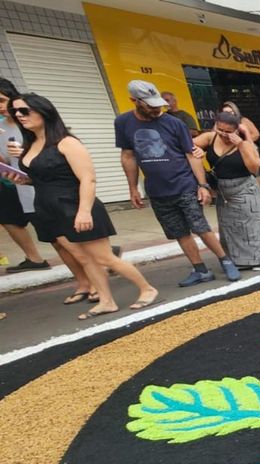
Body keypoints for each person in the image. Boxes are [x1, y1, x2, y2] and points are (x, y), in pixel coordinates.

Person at [10, 94, 157, 319]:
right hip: (50, 209)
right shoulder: (31, 144)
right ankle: (106, 301)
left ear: (44, 111)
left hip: (75, 205)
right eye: (15, 112)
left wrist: (84, 211)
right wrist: (23, 179)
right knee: (85, 259)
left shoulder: (67, 142)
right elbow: (44, 178)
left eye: (24, 110)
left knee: (104, 258)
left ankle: (147, 289)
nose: (19, 115)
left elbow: (88, 178)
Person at [116, 80, 240, 286]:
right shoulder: (123, 123)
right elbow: (128, 156)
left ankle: (225, 260)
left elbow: (192, 154)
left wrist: (202, 185)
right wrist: (133, 188)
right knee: (179, 232)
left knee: (200, 226)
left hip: (184, 184)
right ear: (134, 101)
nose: (156, 109)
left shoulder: (174, 123)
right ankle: (200, 270)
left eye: (158, 105)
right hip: (157, 190)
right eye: (150, 105)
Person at [192, 111, 260, 270]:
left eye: (228, 131)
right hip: (223, 190)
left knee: (252, 225)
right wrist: (197, 150)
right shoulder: (210, 138)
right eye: (220, 129)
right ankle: (237, 259)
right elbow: (187, 145)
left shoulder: (245, 143)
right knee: (230, 226)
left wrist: (241, 144)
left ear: (236, 130)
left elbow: (254, 168)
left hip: (245, 187)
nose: (223, 134)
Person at [0, 77, 51, 275]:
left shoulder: (31, 121)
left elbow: (53, 152)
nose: (0, 107)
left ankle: (103, 255)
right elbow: (6, 161)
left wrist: (24, 153)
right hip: (19, 185)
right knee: (9, 217)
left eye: (2, 101)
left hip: (44, 184)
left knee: (60, 233)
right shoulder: (2, 128)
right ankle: (34, 258)